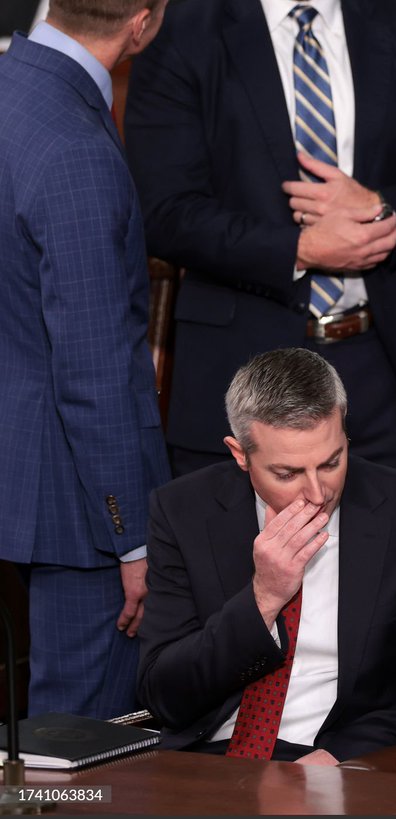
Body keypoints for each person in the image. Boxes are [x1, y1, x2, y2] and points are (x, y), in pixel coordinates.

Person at [124, 0, 396, 478]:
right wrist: (299, 249)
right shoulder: (183, 27)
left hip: (384, 367)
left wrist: (380, 208)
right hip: (241, 372)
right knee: (236, 555)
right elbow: (163, 211)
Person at [137, 348, 396, 763]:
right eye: (288, 473)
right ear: (240, 455)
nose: (317, 493)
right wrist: (263, 599)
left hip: (339, 757)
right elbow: (164, 695)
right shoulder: (184, 511)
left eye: (331, 462)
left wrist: (344, 756)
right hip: (207, 757)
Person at [0, 0, 171, 719]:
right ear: (143, 22)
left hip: (22, 470)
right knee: (79, 763)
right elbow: (94, 375)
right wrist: (131, 535)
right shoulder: (77, 149)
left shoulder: (12, 85)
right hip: (72, 508)